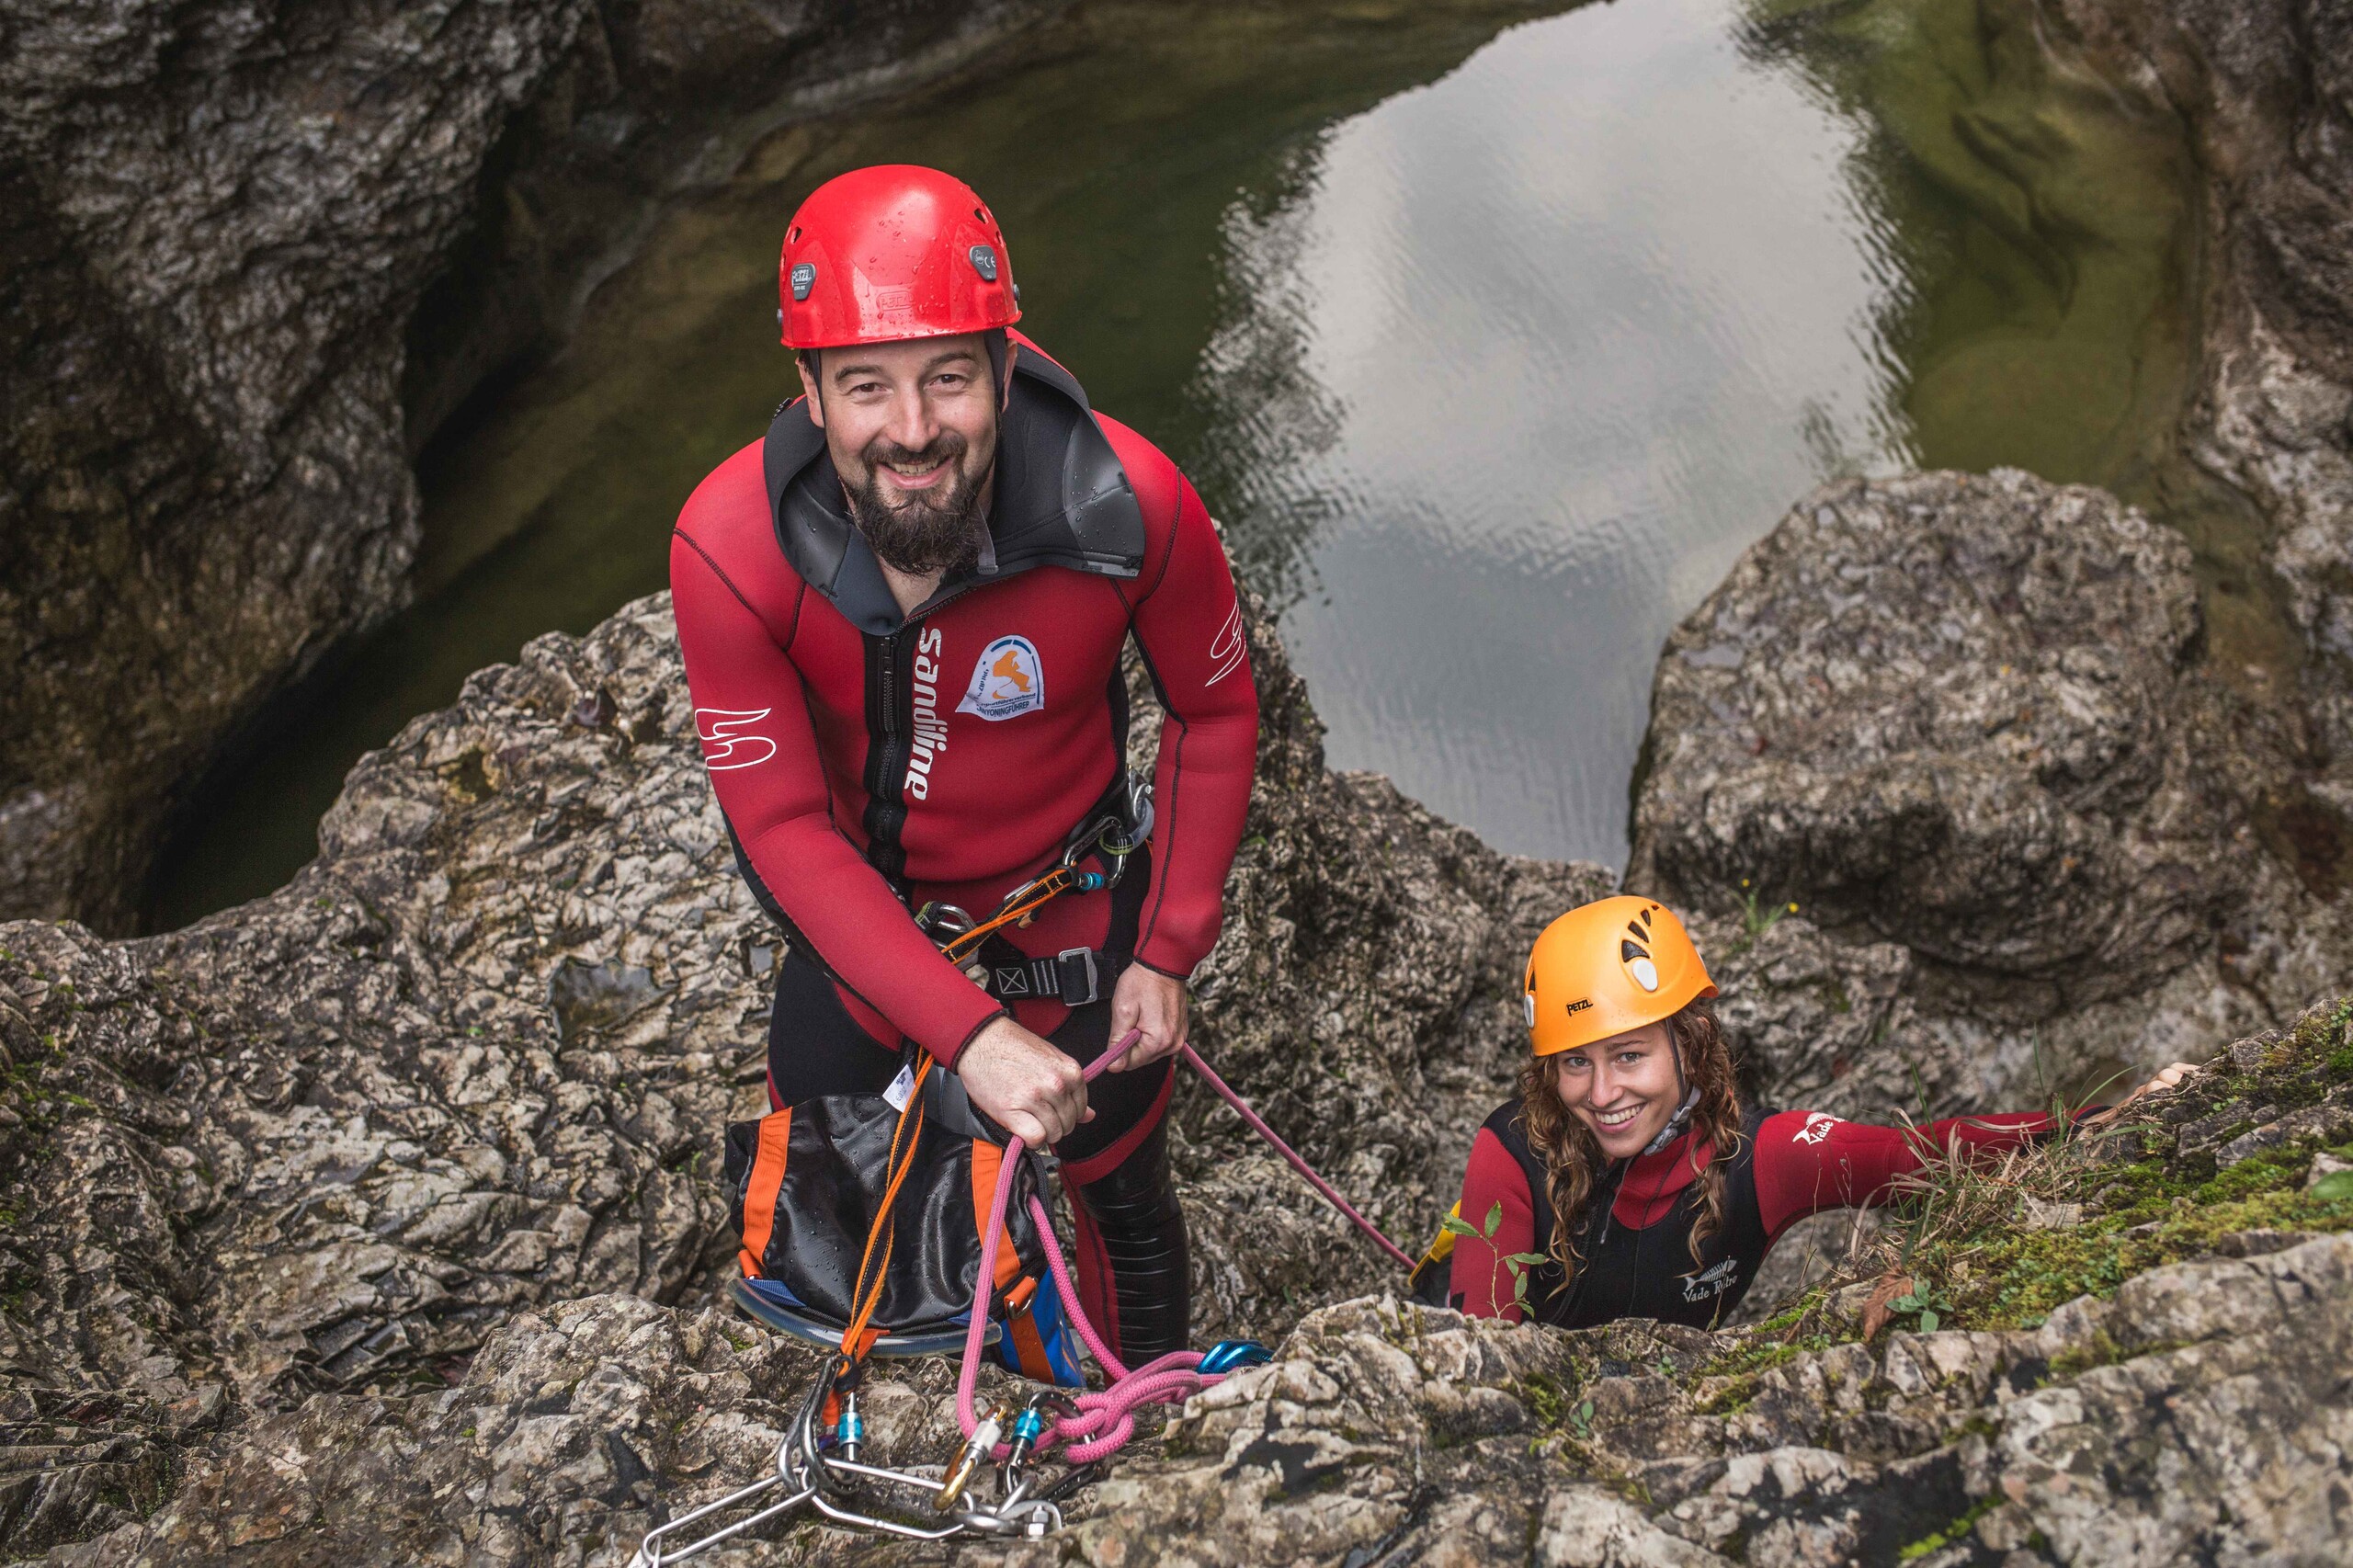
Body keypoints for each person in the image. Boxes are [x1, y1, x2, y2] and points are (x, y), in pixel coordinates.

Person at [670, 165, 1259, 1362]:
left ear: (1004, 361)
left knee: (1119, 1190)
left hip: (1081, 925)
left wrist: (1168, 945)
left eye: (948, 374)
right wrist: (968, 1031)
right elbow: (783, 829)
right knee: (851, 1220)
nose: (914, 428)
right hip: (869, 949)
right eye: (866, 387)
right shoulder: (732, 550)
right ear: (809, 391)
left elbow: (1217, 712)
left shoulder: (1131, 505)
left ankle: (1141, 1419)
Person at [1443, 895, 2197, 1327]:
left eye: (1629, 1055)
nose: (1602, 1094)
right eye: (1576, 1061)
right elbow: (1481, 1353)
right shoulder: (1514, 1152)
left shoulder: (1763, 1160)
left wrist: (2101, 1122)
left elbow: (1918, 1155)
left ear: (1689, 1038)